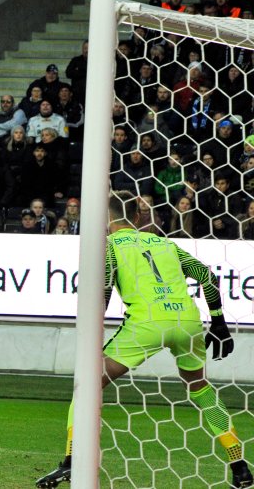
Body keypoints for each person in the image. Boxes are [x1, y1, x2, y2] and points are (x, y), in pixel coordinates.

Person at [35, 190, 252, 488]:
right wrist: (218, 321)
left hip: (147, 324)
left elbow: (106, 289)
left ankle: (71, 461)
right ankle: (239, 465)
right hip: (187, 320)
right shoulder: (164, 243)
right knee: (200, 388)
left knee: (88, 384)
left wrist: (92, 329)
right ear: (138, 217)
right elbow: (206, 276)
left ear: (104, 218)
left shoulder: (109, 246)